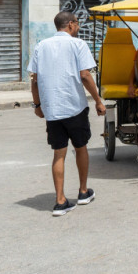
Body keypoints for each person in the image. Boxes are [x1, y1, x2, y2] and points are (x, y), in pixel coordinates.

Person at [28, 12, 106, 217]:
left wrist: (37, 105)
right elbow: (85, 75)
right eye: (77, 24)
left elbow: (34, 80)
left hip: (52, 110)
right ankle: (82, 192)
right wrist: (98, 100)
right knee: (81, 148)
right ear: (70, 24)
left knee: (58, 154)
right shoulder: (77, 44)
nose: (78, 28)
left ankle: (60, 201)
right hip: (74, 107)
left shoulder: (41, 46)